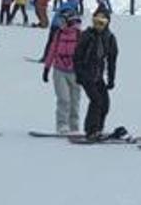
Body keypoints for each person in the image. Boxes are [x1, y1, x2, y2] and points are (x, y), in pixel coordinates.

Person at [74, 9, 118, 139]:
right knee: (96, 100)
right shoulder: (87, 35)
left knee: (105, 103)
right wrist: (79, 74)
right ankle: (91, 130)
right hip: (86, 73)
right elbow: (77, 56)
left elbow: (111, 60)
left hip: (98, 76)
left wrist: (111, 79)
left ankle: (98, 127)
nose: (98, 26)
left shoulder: (110, 38)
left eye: (101, 23)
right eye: (96, 22)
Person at [43, 8, 83, 134]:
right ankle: (62, 125)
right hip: (59, 71)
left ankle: (74, 126)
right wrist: (46, 68)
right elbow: (52, 50)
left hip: (75, 72)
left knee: (75, 100)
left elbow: (85, 54)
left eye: (63, 20)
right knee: (64, 99)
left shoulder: (79, 35)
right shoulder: (59, 34)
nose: (61, 23)